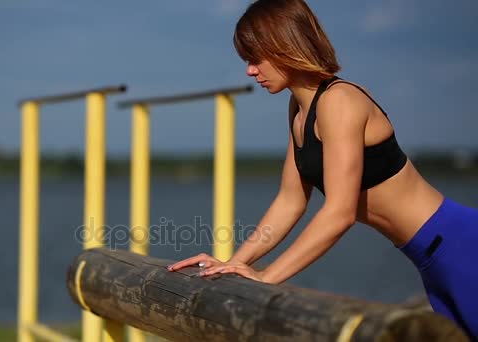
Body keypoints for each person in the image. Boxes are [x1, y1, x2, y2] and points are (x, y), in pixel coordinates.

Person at [166, 0, 478, 338]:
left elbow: (339, 212)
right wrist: (237, 263)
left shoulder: (339, 101)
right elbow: (290, 200)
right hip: (428, 256)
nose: (250, 71)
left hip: (458, 246)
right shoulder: (300, 111)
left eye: (255, 58)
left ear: (284, 46)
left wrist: (266, 277)